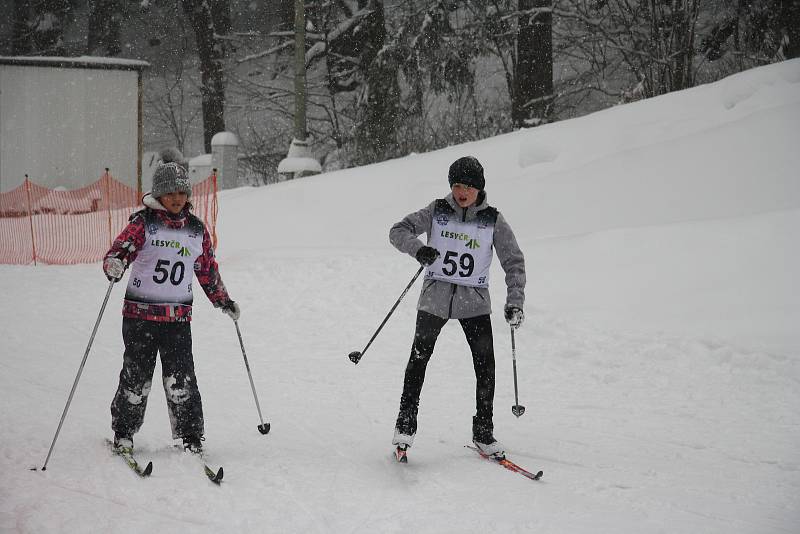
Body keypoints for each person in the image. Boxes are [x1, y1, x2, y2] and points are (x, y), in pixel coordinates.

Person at [102, 148, 240, 455]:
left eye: (181, 192)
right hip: (140, 317)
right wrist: (115, 263)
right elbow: (119, 251)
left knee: (182, 379)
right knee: (136, 378)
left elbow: (206, 269)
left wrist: (222, 300)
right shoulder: (144, 223)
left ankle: (191, 435)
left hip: (178, 319)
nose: (177, 198)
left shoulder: (195, 229)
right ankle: (123, 432)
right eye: (170, 193)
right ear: (159, 194)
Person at [389, 155, 525, 459]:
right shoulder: (437, 210)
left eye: (468, 186)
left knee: (485, 366)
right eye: (456, 185)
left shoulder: (492, 220)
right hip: (435, 299)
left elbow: (514, 261)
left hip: (473, 302)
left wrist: (515, 300)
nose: (461, 192)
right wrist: (419, 249)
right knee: (418, 360)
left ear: (479, 188)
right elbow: (398, 231)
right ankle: (405, 426)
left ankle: (483, 432)